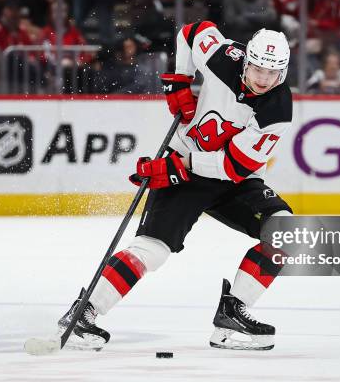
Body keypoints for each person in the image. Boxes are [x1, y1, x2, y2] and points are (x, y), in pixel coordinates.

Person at [57, 21, 293, 351]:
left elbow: (232, 166)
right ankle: (84, 313)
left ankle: (231, 317)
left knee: (287, 231)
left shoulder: (278, 109)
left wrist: (177, 166)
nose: (264, 80)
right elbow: (193, 30)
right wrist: (181, 79)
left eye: (273, 73)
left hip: (227, 177)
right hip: (187, 170)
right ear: (246, 61)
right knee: (152, 251)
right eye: (257, 69)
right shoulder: (225, 57)